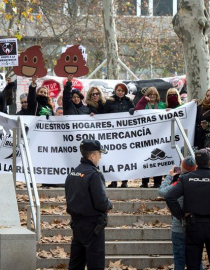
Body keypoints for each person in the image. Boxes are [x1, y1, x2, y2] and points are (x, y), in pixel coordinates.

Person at [65, 139, 113, 270]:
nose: (100, 157)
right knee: (95, 264)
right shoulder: (94, 174)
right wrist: (109, 205)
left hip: (77, 224)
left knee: (76, 263)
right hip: (93, 227)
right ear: (92, 156)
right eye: (99, 154)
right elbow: (101, 202)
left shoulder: (73, 173)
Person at [159, 157, 203, 270]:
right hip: (197, 225)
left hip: (179, 226)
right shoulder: (202, 181)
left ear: (181, 168)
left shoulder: (179, 183)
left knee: (179, 260)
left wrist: (169, 176)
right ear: (195, 168)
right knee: (197, 260)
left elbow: (162, 192)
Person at [135, 86, 166, 188]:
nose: (152, 96)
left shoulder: (161, 105)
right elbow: (137, 110)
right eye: (150, 94)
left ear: (157, 95)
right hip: (146, 136)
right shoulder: (144, 105)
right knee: (146, 159)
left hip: (159, 136)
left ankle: (157, 182)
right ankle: (145, 181)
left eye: (154, 94)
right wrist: (143, 100)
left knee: (157, 160)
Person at [104, 82, 134, 188]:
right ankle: (113, 181)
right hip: (112, 135)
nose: (120, 92)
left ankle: (124, 181)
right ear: (115, 91)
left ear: (125, 92)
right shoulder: (109, 101)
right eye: (118, 90)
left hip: (125, 135)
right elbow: (103, 115)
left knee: (125, 158)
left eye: (122, 90)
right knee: (113, 158)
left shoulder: (129, 101)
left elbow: (134, 114)